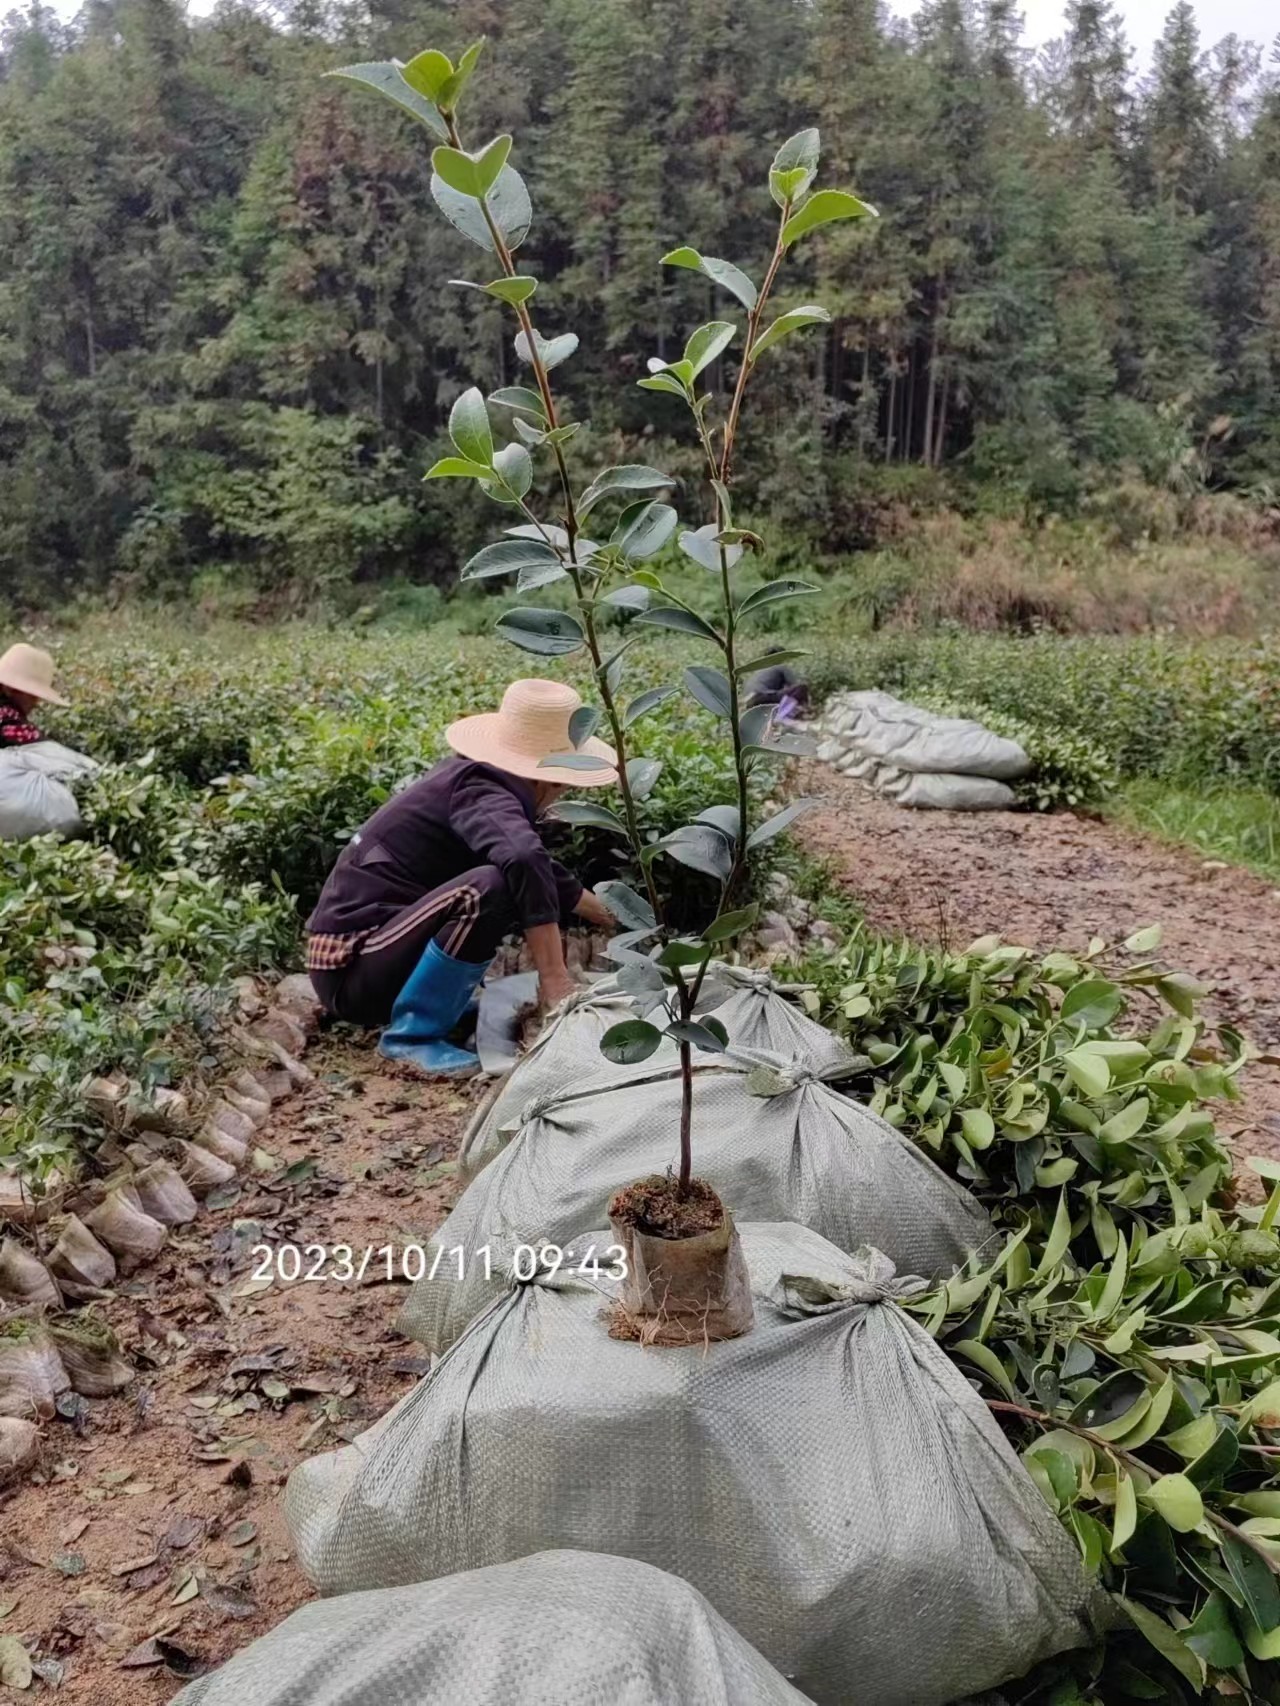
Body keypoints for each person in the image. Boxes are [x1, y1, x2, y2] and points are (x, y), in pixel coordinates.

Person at [305, 678, 618, 1076]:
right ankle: (410, 1037)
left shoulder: (481, 783)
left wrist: (618, 917)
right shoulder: (481, 789)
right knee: (489, 889)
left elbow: (545, 874)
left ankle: (434, 1008)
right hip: (352, 970)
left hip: (371, 963)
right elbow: (523, 861)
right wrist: (554, 978)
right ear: (553, 776)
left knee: (503, 876)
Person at [0, 643, 68, 746]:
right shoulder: (7, 717)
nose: (35, 702)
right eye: (32, 695)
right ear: (9, 688)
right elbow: (44, 750)